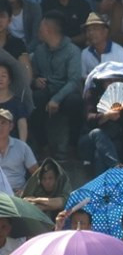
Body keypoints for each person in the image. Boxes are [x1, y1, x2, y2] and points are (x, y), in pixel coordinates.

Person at [30, 12, 82, 160]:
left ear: (48, 30)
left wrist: (57, 99)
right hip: (46, 90)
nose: (38, 31)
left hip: (65, 92)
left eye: (41, 27)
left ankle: (72, 146)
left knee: (75, 102)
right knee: (35, 98)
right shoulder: (40, 50)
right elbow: (34, 74)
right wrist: (35, 81)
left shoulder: (73, 51)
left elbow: (74, 81)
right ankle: (43, 146)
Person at [81, 13, 123, 77]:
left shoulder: (119, 52)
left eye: (95, 29)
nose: (91, 33)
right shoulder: (85, 53)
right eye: (88, 30)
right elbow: (82, 76)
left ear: (105, 31)